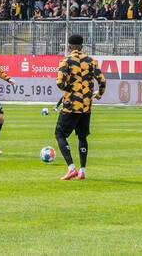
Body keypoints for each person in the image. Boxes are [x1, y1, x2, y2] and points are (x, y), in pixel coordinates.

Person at [55, 34, 106, 180]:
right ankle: (82, 170)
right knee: (82, 137)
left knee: (60, 134)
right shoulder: (91, 61)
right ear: (82, 46)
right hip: (86, 105)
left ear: (69, 46)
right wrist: (99, 94)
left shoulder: (65, 61)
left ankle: (71, 168)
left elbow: (60, 84)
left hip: (71, 105)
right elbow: (102, 81)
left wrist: (70, 87)